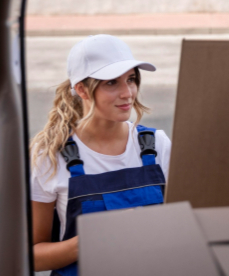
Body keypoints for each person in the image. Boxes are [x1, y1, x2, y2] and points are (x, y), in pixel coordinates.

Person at [29, 35, 171, 276]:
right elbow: (32, 256)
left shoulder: (157, 144)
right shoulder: (50, 157)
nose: (128, 93)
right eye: (112, 83)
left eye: (131, 79)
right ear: (82, 89)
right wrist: (95, 238)